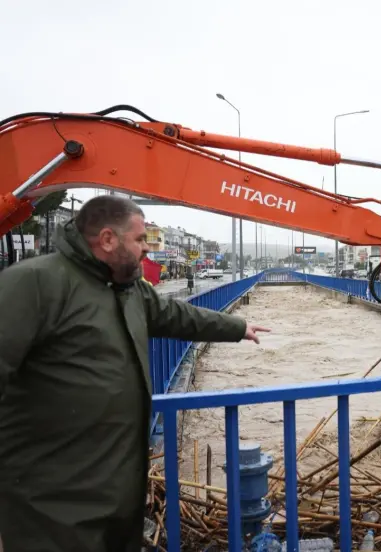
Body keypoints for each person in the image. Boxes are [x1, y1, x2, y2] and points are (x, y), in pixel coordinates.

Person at [0, 195, 270, 552]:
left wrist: (237, 327)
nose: (147, 248)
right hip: (51, 504)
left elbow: (178, 316)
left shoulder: (128, 289)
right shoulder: (33, 283)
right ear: (108, 239)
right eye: (140, 239)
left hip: (116, 494)